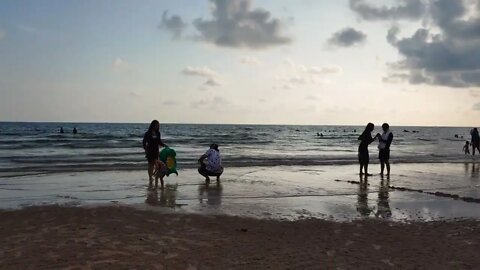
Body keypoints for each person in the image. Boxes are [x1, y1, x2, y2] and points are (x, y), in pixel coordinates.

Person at [143, 120, 167, 189]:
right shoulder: (148, 133)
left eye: (158, 125)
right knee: (150, 165)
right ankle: (150, 177)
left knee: (156, 165)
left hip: (156, 150)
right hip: (149, 150)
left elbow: (159, 141)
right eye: (156, 125)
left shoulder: (158, 133)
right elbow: (144, 142)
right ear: (152, 125)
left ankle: (155, 176)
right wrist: (145, 149)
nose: (157, 126)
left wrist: (164, 145)